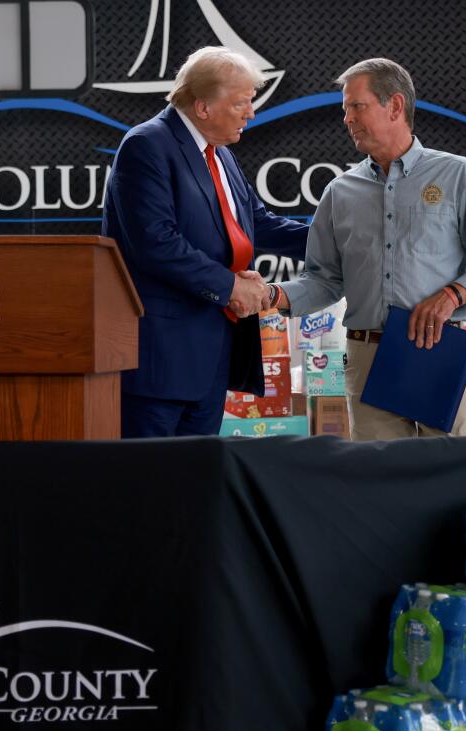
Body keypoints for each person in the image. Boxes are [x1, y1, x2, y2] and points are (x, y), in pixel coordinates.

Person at [266, 58, 466, 440]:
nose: (347, 119)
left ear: (395, 106)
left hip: (435, 348)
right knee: (382, 486)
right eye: (345, 109)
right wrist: (270, 294)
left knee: (453, 474)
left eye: (356, 106)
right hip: (366, 358)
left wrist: (452, 295)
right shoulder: (339, 193)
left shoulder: (456, 174)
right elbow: (323, 281)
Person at [103, 47, 308, 438]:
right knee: (150, 487)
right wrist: (231, 287)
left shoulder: (221, 154)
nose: (251, 113)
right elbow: (155, 242)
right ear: (202, 107)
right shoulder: (146, 145)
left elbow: (257, 224)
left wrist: (339, 244)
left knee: (195, 485)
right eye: (242, 103)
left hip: (211, 358)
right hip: (159, 363)